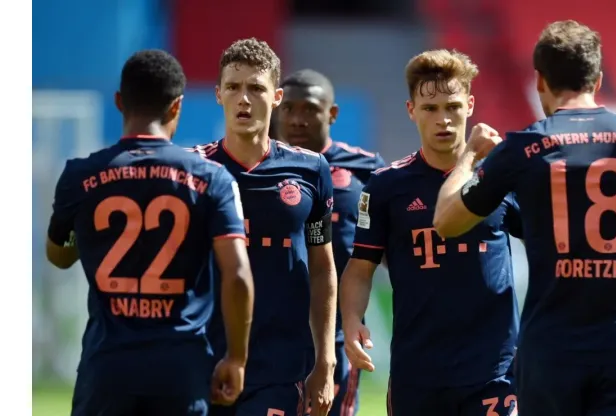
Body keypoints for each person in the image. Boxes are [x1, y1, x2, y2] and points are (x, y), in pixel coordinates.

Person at [433, 20, 616, 416]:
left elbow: (446, 221)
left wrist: (468, 158)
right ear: (597, 80)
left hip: (550, 349)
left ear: (540, 80)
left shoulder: (524, 147)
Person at [45, 49, 254, 416]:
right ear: (177, 107)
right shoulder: (213, 179)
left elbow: (58, 255)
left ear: (119, 102)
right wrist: (236, 358)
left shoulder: (80, 176)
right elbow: (237, 274)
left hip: (106, 371)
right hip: (181, 371)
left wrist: (90, 231)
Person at [340, 49, 522, 416]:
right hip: (418, 373)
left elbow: (547, 245)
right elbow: (360, 268)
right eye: (430, 108)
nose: (444, 120)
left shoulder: (501, 177)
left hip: (494, 369)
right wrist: (351, 321)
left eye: (453, 107)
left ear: (470, 105)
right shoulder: (386, 186)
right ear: (411, 111)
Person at [190, 39, 337, 416]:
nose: (244, 98)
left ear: (276, 98)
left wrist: (325, 362)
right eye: (234, 87)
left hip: (281, 366)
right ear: (218, 94)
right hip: (201, 360)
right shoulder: (192, 169)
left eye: (256, 88)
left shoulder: (312, 169)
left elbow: (322, 267)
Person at [276, 68, 386, 416]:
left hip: (336, 333)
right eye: (289, 108)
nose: (296, 119)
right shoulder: (262, 168)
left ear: (332, 113)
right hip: (272, 332)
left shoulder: (367, 170)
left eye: (308, 109)